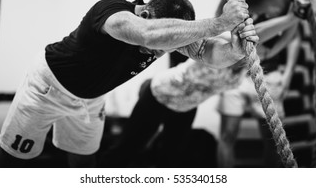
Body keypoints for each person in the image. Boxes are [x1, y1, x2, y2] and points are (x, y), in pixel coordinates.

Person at [0, 0, 253, 167]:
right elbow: (149, 35)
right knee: (9, 163)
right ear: (146, 14)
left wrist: (234, 50)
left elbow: (208, 53)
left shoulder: (167, 35)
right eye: (164, 44)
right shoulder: (112, 13)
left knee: (85, 167)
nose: (161, 51)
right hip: (48, 87)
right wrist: (220, 23)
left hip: (90, 98)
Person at [98, 11, 300, 168]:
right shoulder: (225, 47)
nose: (264, 52)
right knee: (127, 149)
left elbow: (278, 45)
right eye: (260, 46)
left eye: (264, 49)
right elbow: (260, 32)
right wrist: (290, 17)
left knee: (170, 160)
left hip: (186, 107)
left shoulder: (247, 65)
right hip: (159, 95)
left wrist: (297, 18)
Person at [215, 0, 302, 168]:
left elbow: (293, 38)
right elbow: (220, 29)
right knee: (227, 135)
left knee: (273, 142)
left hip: (270, 74)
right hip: (236, 74)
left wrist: (288, 75)